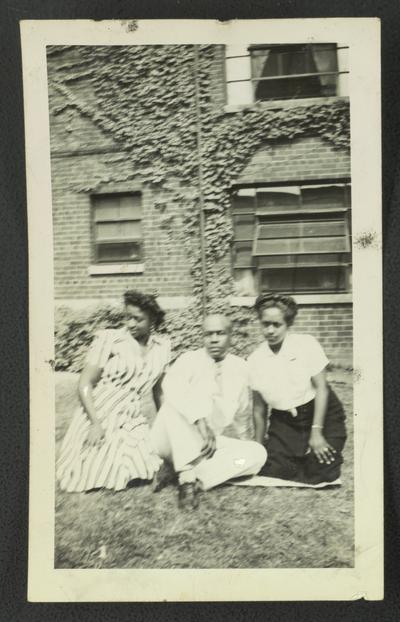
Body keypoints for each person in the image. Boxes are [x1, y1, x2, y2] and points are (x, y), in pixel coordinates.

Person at [56, 291, 171, 492]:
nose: (131, 324)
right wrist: (95, 423)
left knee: (145, 469)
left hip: (132, 416)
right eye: (128, 317)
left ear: (152, 319)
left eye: (138, 319)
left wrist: (167, 426)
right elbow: (85, 382)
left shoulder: (162, 347)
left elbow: (158, 391)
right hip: (101, 411)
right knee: (97, 472)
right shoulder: (110, 339)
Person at [150, 314, 267, 508]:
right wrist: (200, 421)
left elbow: (243, 414)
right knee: (171, 406)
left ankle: (189, 474)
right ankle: (187, 481)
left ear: (231, 336)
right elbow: (171, 389)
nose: (213, 339)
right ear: (202, 337)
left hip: (205, 447)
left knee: (257, 453)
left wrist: (245, 444)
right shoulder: (188, 360)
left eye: (220, 333)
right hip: (172, 439)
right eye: (208, 334)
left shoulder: (241, 368)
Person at [248, 293, 347, 485]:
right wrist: (258, 448)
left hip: (322, 413)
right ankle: (290, 456)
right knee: (274, 470)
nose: (270, 330)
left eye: (277, 325)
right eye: (265, 324)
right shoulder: (254, 360)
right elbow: (259, 410)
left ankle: (306, 457)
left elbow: (322, 389)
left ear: (288, 324)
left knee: (323, 471)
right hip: (284, 421)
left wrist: (316, 432)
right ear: (259, 323)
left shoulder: (306, 345)